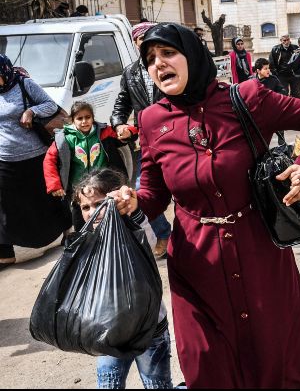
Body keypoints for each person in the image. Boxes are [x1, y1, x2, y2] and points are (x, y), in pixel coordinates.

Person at [108, 22, 300, 388]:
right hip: (196, 267)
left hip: (260, 253)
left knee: (281, 359)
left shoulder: (247, 98)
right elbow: (153, 195)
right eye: (150, 59)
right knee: (207, 366)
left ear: (191, 57)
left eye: (168, 53)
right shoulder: (151, 120)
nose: (158, 64)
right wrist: (132, 202)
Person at [73, 167, 173, 389]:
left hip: (149, 331)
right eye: (85, 207)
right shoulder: (86, 239)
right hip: (108, 333)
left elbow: (149, 239)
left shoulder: (132, 228)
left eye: (99, 204)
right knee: (108, 384)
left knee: (157, 384)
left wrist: (133, 212)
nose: (91, 212)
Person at [0, 55, 70, 270]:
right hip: (4, 158)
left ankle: (68, 230)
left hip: (35, 155)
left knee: (49, 196)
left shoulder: (23, 84)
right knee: (4, 206)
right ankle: (5, 252)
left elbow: (50, 105)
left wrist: (31, 111)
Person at [111, 21, 173, 259]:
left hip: (176, 134)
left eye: (149, 36)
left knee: (182, 186)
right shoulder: (130, 72)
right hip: (146, 140)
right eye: (140, 39)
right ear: (135, 43)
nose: (144, 41)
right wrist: (119, 124)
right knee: (141, 189)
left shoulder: (168, 64)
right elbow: (122, 103)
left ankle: (191, 234)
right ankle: (164, 233)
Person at [43, 101, 137, 230]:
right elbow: (49, 160)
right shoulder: (64, 139)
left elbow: (126, 133)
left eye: (87, 117)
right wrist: (54, 184)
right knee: (82, 227)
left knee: (113, 223)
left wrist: (128, 132)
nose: (84, 121)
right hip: (79, 192)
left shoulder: (104, 132)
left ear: (93, 118)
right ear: (72, 120)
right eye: (79, 118)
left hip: (105, 189)